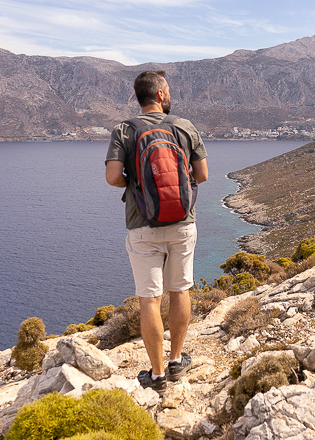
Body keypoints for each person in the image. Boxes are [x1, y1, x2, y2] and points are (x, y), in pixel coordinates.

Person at [105, 70, 208, 393]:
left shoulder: (124, 130)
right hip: (182, 222)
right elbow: (202, 174)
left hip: (142, 225)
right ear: (161, 95)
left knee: (149, 300)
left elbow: (112, 177)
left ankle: (158, 374)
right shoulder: (184, 126)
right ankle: (177, 360)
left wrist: (136, 184)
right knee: (180, 291)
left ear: (140, 97)